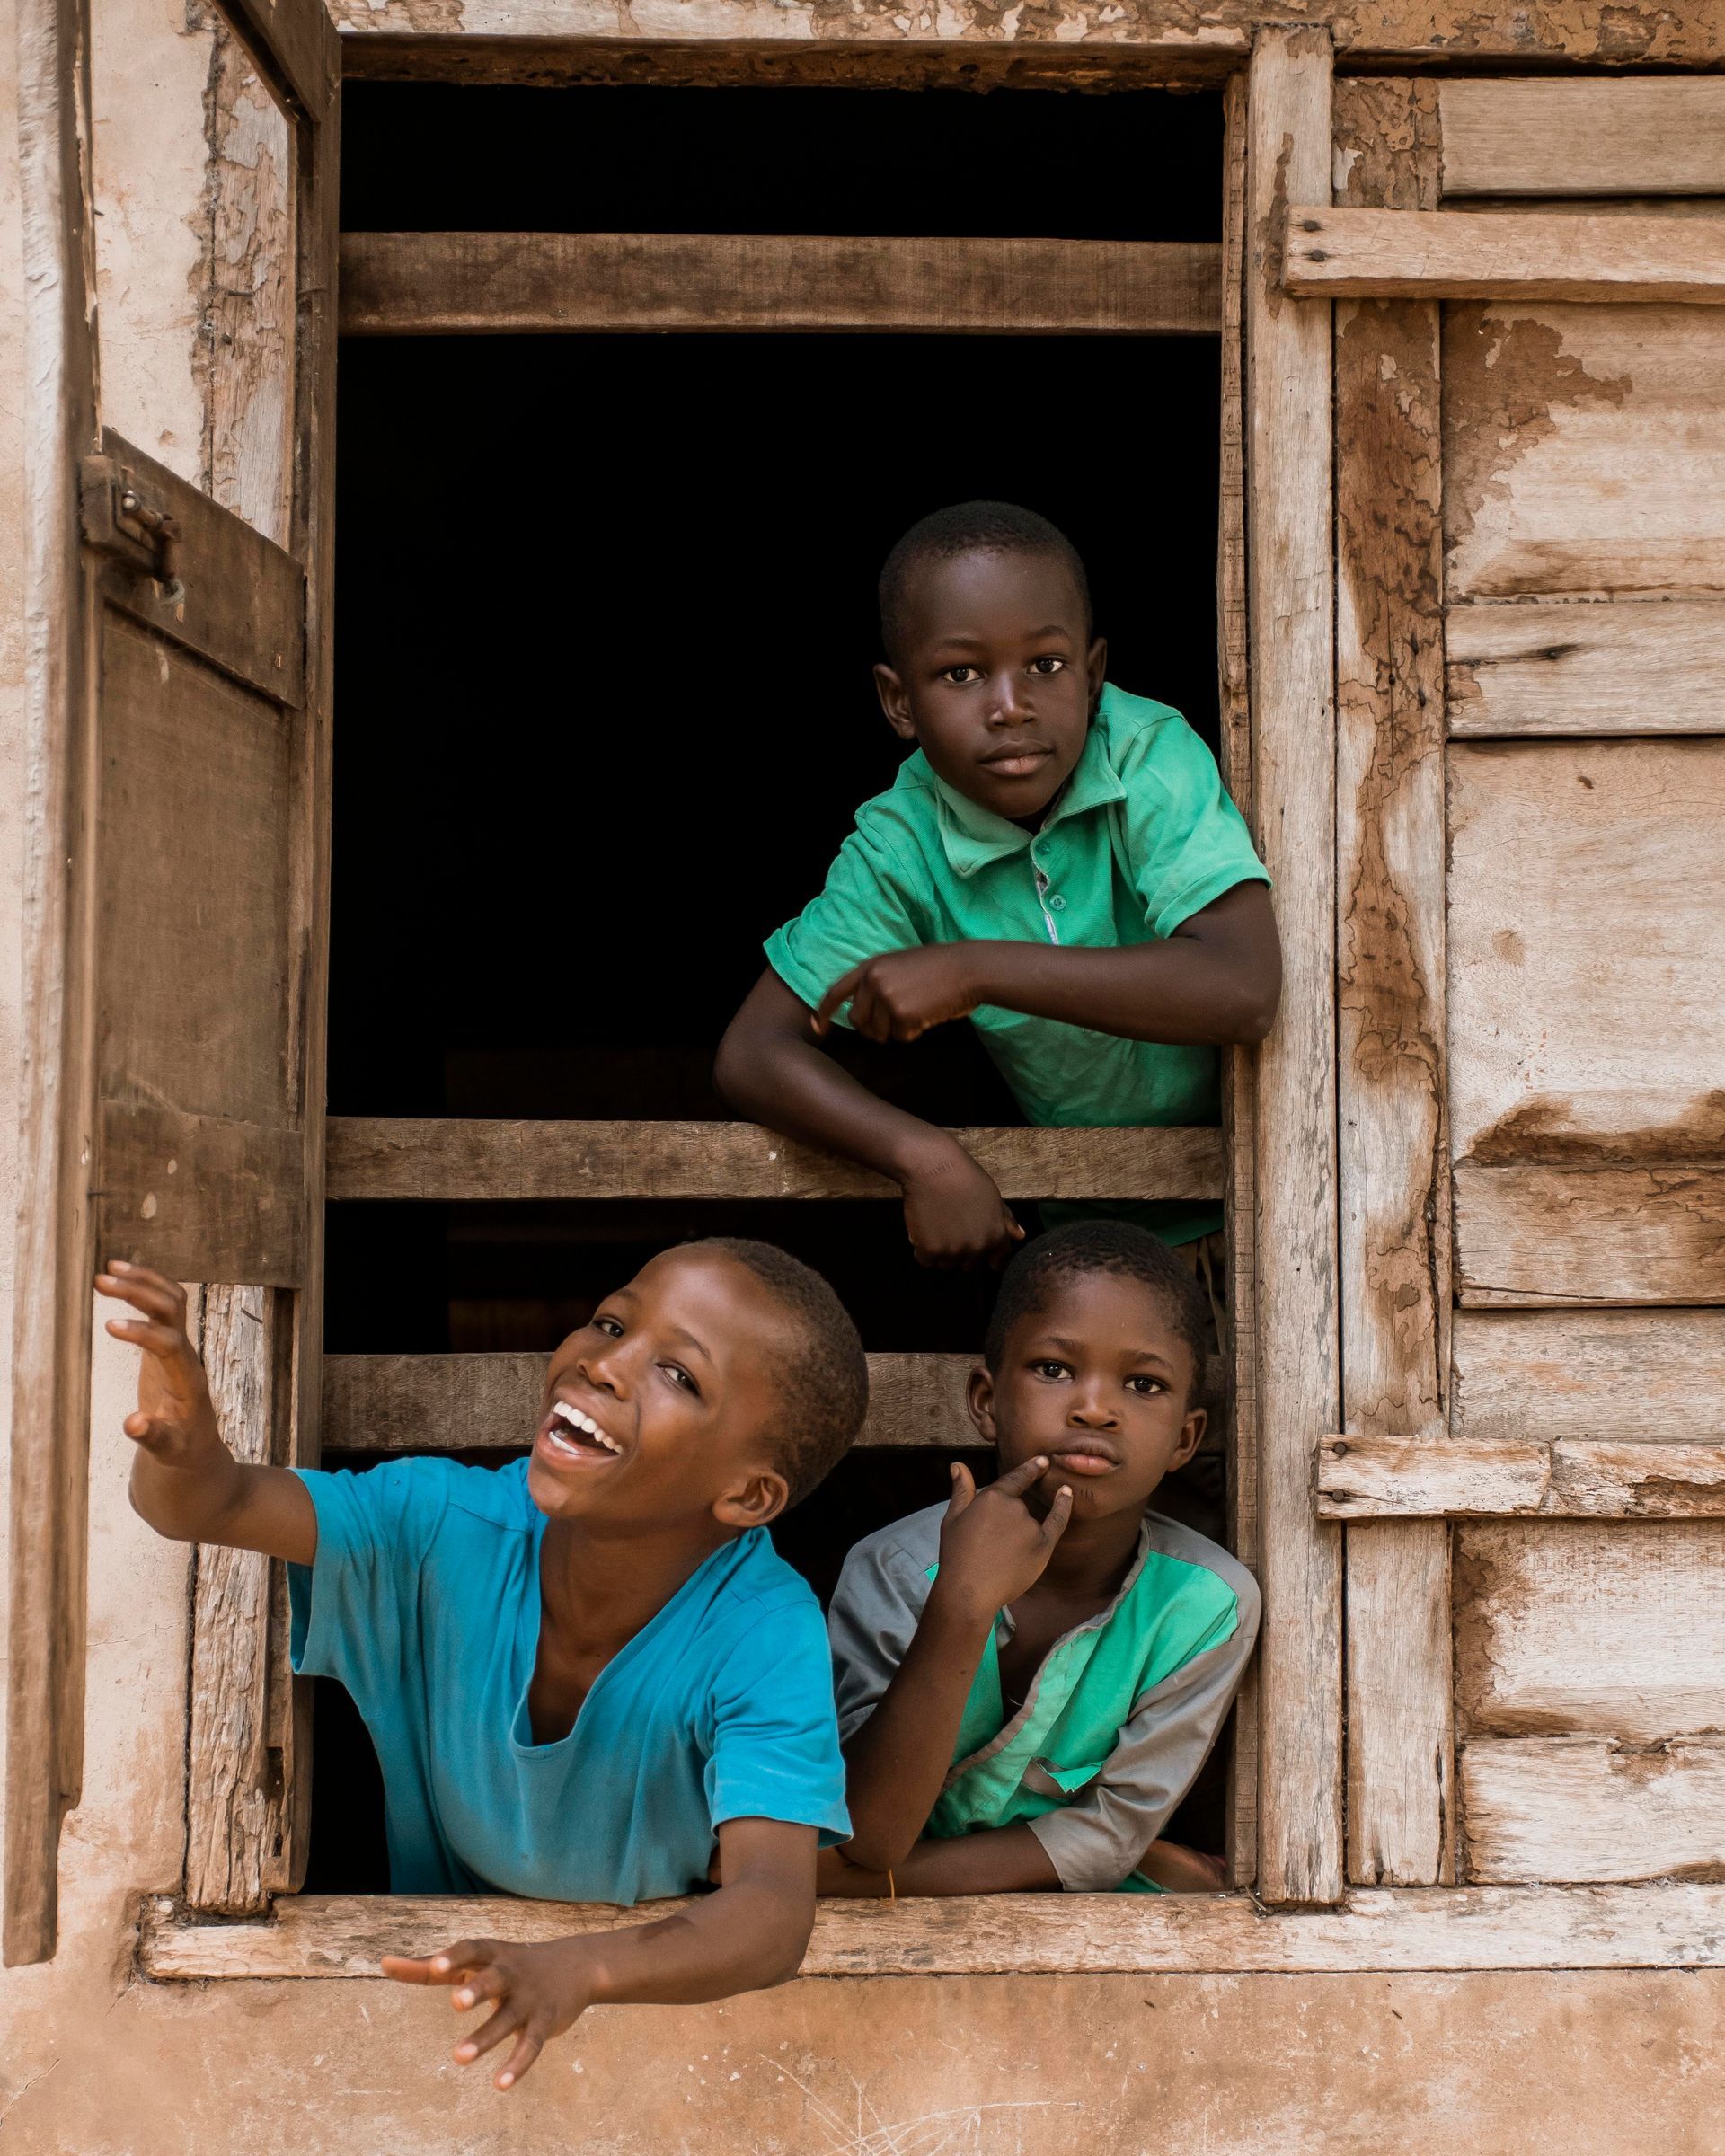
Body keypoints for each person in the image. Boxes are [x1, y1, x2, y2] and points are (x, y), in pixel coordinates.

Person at [97, 1237, 867, 2090]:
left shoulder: (764, 1631)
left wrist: (578, 1970)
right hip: (428, 1993)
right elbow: (217, 1503)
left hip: (661, 2038)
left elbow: (770, 1914)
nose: (606, 1364)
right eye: (612, 1322)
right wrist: (181, 1448)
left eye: (679, 1375)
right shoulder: (443, 1522)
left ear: (748, 1497)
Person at [714, 499, 1280, 1271]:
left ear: (1093, 672)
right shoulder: (904, 842)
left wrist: (970, 970)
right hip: (1100, 1241)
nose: (1010, 707)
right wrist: (922, 1157)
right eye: (961, 674)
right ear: (898, 702)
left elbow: (1243, 986)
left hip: (1278, 1202)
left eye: (1045, 667)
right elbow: (753, 1052)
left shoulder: (1145, 754)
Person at [822, 1221, 1259, 1896]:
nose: (1095, 1409)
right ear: (987, 1401)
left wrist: (852, 1884)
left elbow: (1112, 1832)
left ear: (1186, 1438)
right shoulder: (896, 1570)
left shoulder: (1207, 1604)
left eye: (1143, 1384)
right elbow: (864, 1826)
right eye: (1054, 1370)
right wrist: (961, 1606)